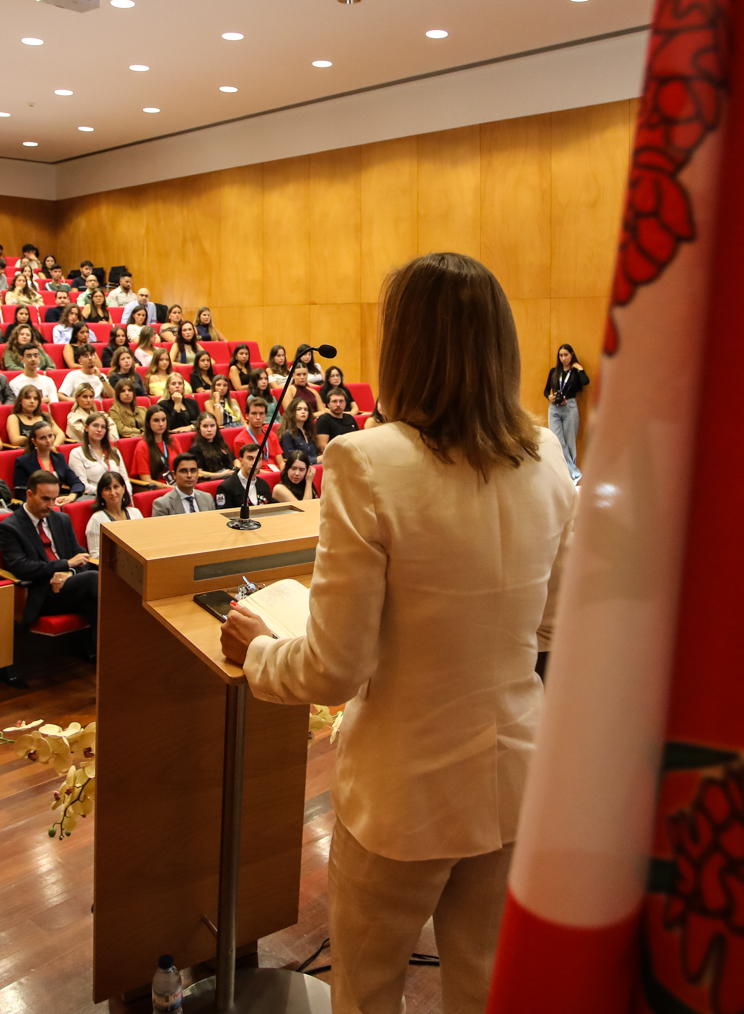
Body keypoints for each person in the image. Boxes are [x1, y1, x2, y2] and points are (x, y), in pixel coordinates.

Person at [219, 252, 576, 1014]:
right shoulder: (547, 455)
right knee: (484, 989)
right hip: (515, 774)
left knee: (368, 992)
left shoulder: (366, 459)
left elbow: (333, 669)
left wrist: (257, 652)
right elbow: (551, 623)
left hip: (402, 792)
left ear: (402, 346)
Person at [0, 471, 98, 652]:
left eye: (54, 499)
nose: (51, 505)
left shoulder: (61, 519)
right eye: (45, 499)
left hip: (68, 587)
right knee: (93, 579)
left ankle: (104, 658)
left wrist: (69, 573)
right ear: (29, 494)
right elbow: (21, 568)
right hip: (40, 593)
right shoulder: (9, 527)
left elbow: (80, 555)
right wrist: (65, 565)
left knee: (95, 602)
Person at [543, 343, 588, 484]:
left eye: (566, 355)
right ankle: (573, 473)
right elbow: (545, 390)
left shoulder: (575, 373)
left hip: (570, 407)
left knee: (570, 443)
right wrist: (548, 397)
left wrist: (579, 368)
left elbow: (586, 381)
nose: (563, 358)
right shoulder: (554, 371)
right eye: (561, 355)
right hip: (554, 408)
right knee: (557, 441)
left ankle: (569, 476)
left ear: (572, 355)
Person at [12, 423, 83, 502]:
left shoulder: (59, 458)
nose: (48, 441)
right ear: (34, 441)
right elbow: (21, 493)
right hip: (38, 505)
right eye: (42, 438)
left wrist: (71, 496)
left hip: (59, 501)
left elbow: (76, 482)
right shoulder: (23, 462)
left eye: (50, 436)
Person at [68, 412, 130, 496]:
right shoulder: (77, 454)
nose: (99, 430)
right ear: (86, 428)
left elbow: (125, 480)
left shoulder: (114, 452)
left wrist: (126, 493)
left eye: (103, 427)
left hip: (119, 497)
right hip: (95, 497)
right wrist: (107, 493)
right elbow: (83, 485)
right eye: (95, 426)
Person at [84, 473, 142, 559]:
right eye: (107, 489)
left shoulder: (135, 513)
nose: (112, 492)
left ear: (123, 489)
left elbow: (144, 542)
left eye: (116, 487)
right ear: (101, 494)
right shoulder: (96, 520)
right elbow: (96, 555)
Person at [129, 407, 174, 492]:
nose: (161, 424)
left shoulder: (173, 441)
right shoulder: (142, 446)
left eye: (163, 420)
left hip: (177, 486)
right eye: (156, 421)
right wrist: (173, 489)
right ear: (148, 423)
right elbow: (146, 480)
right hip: (159, 491)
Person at [214, 442, 271, 509]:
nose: (254, 463)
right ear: (241, 461)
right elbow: (224, 514)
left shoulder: (263, 484)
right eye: (250, 458)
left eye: (258, 459)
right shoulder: (226, 487)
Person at [236, 397, 285, 470]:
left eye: (261, 413)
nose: (258, 417)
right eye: (254, 413)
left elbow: (281, 462)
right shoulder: (240, 440)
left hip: (276, 473)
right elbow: (245, 469)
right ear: (247, 416)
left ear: (265, 416)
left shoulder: (272, 435)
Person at [189, 413, 235, 479]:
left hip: (228, 476)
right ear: (199, 429)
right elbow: (198, 472)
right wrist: (221, 475)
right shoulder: (196, 449)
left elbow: (234, 459)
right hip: (214, 480)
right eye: (205, 426)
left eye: (212, 426)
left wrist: (237, 468)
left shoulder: (220, 443)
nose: (209, 430)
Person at [6, 384, 48, 449]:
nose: (32, 401)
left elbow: (60, 434)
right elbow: (15, 440)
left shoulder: (45, 416)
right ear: (20, 400)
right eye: (28, 398)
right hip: (27, 453)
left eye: (35, 398)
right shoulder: (14, 418)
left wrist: (54, 445)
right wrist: (39, 440)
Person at [279, 398, 320, 465]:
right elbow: (290, 458)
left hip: (315, 466)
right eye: (299, 409)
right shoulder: (287, 433)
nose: (303, 412)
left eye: (306, 409)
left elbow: (315, 453)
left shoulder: (310, 431)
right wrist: (316, 459)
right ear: (292, 412)